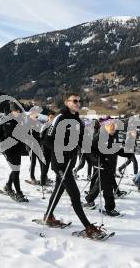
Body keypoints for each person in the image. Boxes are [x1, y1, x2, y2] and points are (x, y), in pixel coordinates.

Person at [42, 92, 104, 238]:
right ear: (66, 102)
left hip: (70, 163)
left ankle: (48, 216)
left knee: (58, 190)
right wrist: (63, 149)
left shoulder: (78, 120)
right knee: (75, 195)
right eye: (74, 101)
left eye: (79, 101)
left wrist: (95, 158)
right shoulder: (60, 117)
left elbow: (84, 143)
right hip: (60, 164)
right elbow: (46, 140)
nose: (77, 103)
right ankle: (88, 227)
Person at [84, 118, 122, 216]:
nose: (113, 128)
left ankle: (89, 199)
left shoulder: (112, 136)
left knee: (100, 184)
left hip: (110, 165)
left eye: (114, 126)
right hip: (102, 165)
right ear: (105, 126)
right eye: (111, 126)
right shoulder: (99, 136)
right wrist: (96, 160)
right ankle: (110, 209)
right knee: (108, 188)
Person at [0, 102, 28, 202]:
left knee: (16, 170)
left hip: (17, 148)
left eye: (19, 111)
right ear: (12, 110)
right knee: (15, 170)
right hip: (7, 149)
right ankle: (18, 192)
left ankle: (8, 185)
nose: (18, 112)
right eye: (16, 110)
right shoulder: (4, 119)